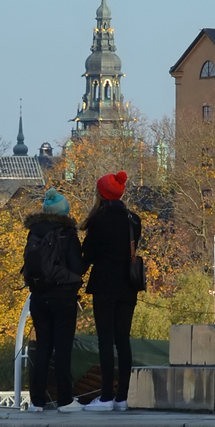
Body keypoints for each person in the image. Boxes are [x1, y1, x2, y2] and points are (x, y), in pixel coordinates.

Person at [81, 171, 141, 412]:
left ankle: (105, 396)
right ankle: (122, 396)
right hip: (128, 286)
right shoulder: (133, 220)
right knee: (123, 340)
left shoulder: (98, 221)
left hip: (104, 286)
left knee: (105, 340)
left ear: (102, 194)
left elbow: (89, 255)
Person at [22, 188, 86, 413]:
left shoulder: (34, 232)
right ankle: (65, 400)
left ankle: (37, 401)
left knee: (43, 348)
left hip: (38, 297)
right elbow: (77, 266)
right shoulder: (66, 233)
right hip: (63, 297)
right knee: (63, 348)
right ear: (64, 212)